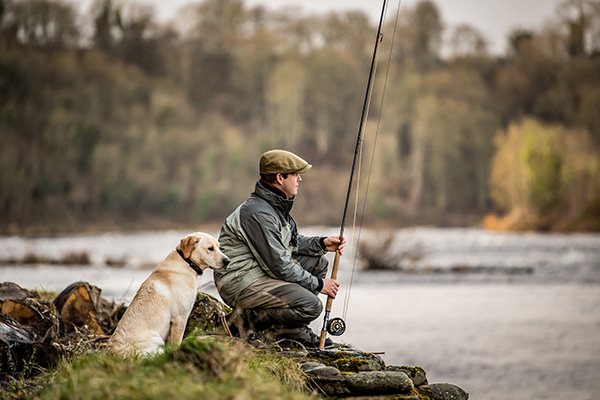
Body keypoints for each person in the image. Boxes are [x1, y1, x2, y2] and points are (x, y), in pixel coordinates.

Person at [214, 149, 345, 348]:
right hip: (239, 281)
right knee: (311, 305)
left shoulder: (274, 206)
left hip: (259, 271)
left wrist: (321, 243)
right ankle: (239, 324)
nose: (300, 179)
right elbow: (279, 265)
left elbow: (290, 243)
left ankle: (291, 329)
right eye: (295, 175)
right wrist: (319, 284)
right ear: (279, 178)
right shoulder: (258, 212)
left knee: (318, 261)